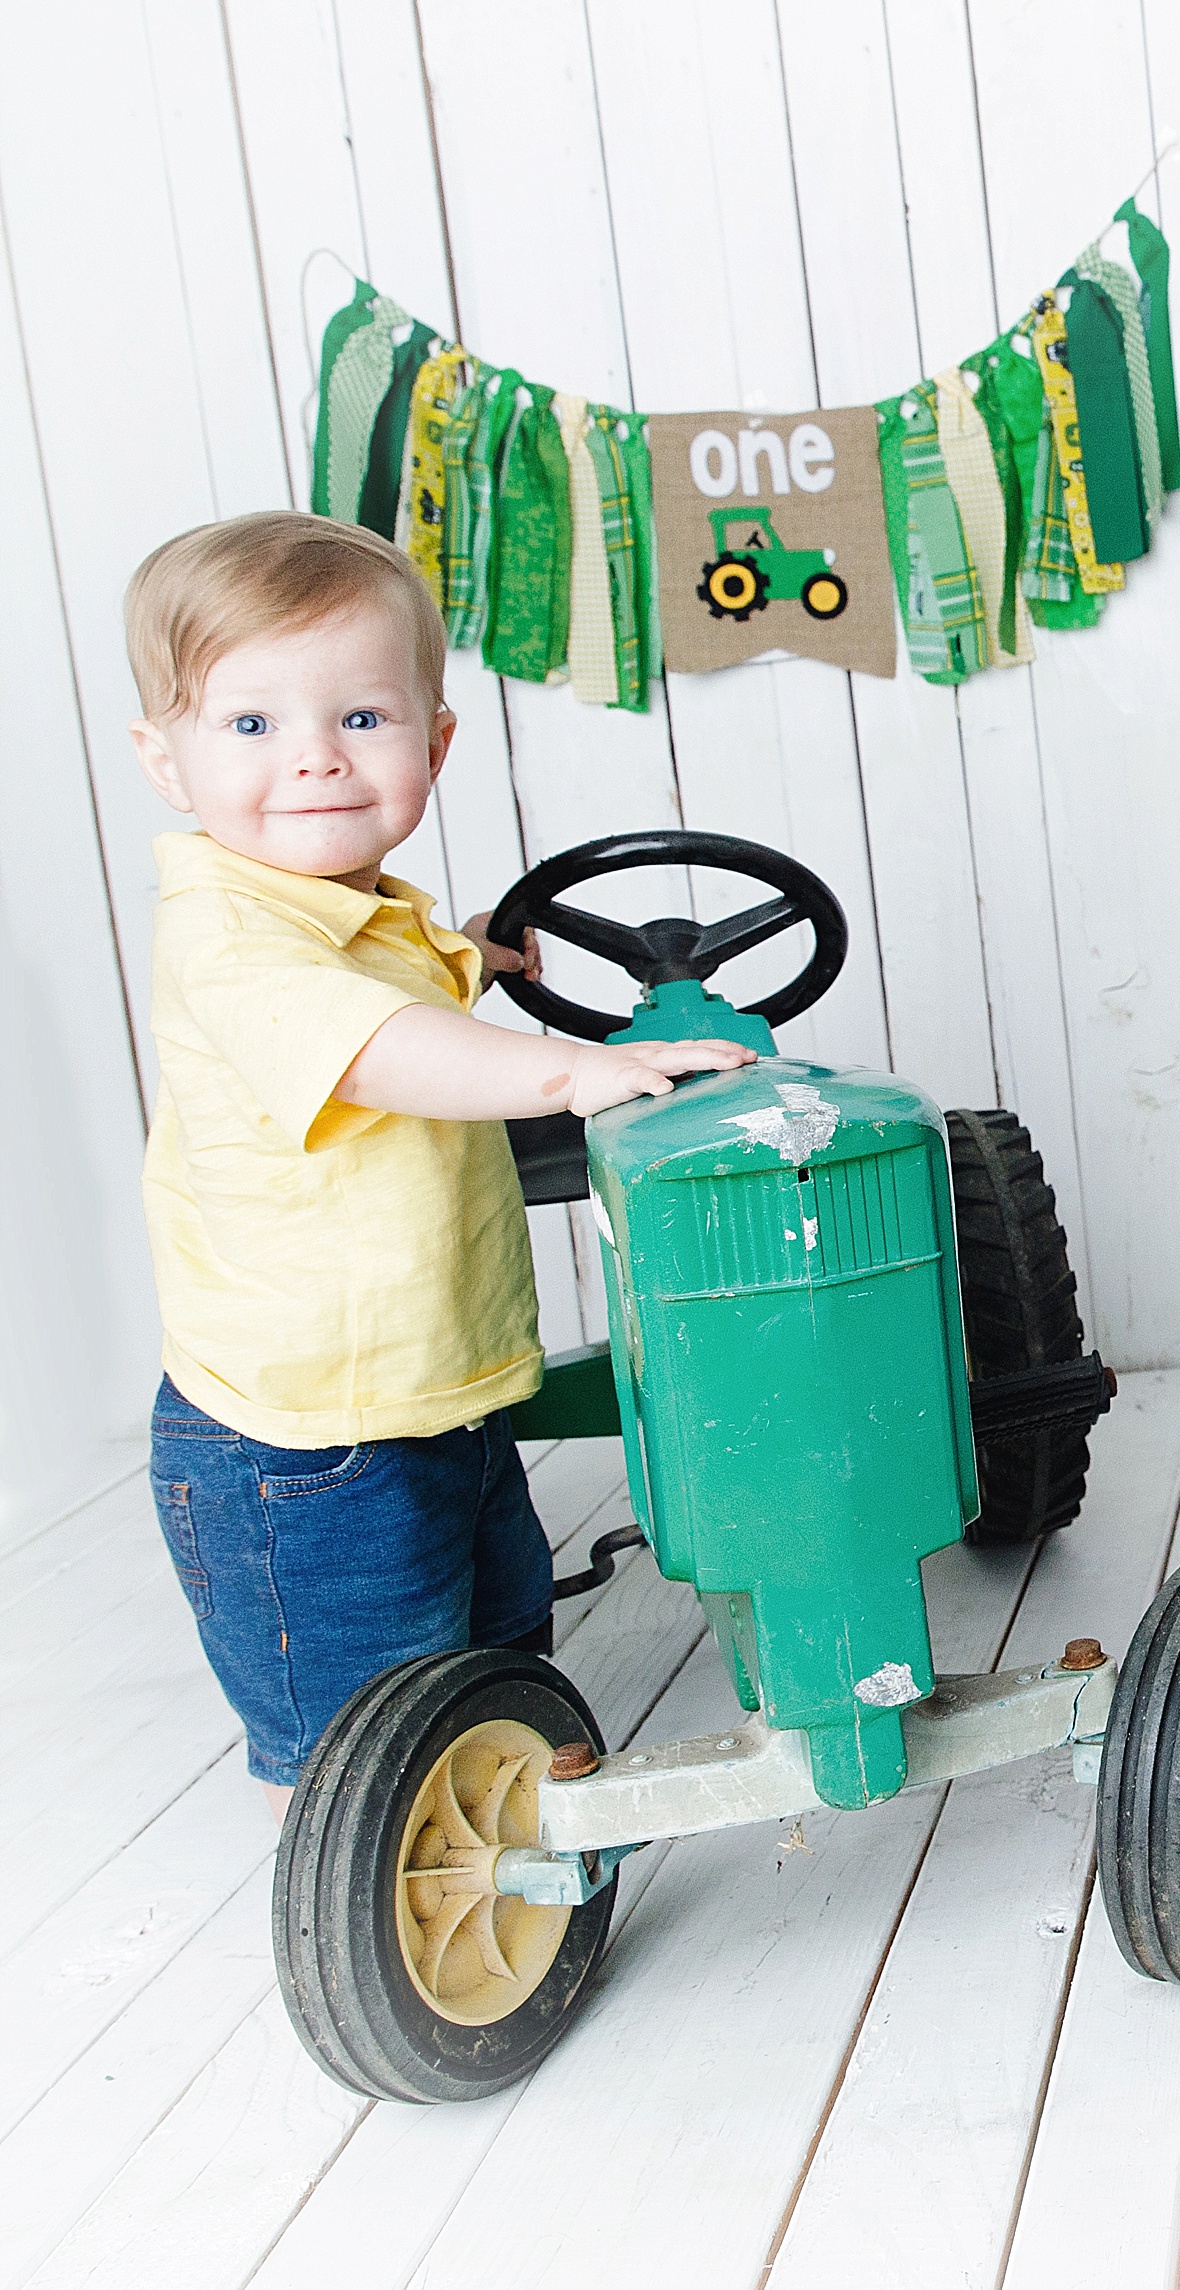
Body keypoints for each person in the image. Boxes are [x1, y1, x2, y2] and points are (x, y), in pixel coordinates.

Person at [125, 512, 754, 1816]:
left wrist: (473, 952)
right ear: (165, 759)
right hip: (301, 1439)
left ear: (435, 739)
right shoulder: (226, 936)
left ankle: (512, 1817)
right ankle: (404, 1912)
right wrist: (570, 1075)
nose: (313, 759)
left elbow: (391, 982)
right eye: (250, 726)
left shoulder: (361, 907)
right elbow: (372, 1049)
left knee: (493, 1642)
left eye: (362, 717)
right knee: (373, 1737)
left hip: (432, 1394)